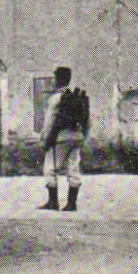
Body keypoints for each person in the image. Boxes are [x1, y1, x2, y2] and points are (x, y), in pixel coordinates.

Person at [39, 66, 89, 212]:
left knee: (50, 168)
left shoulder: (56, 98)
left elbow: (49, 122)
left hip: (60, 138)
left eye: (55, 78)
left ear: (58, 79)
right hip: (77, 136)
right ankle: (72, 204)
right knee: (73, 168)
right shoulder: (76, 96)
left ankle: (52, 202)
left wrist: (44, 139)